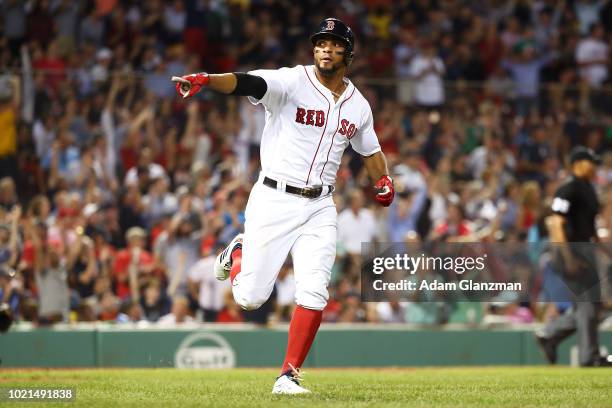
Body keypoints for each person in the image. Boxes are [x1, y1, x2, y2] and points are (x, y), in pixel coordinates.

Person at [172, 17, 395, 394]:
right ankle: (240, 249)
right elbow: (248, 81)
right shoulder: (292, 81)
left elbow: (369, 149)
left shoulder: (358, 104)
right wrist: (208, 80)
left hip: (320, 205)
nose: (325, 49)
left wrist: (383, 179)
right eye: (320, 43)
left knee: (314, 290)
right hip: (274, 198)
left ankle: (287, 375)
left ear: (348, 53)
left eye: (334, 44)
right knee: (249, 298)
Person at [536, 147, 612, 367]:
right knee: (589, 303)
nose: (594, 166)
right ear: (577, 163)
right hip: (568, 250)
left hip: (584, 249)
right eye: (590, 162)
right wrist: (567, 257)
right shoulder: (567, 189)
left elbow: (589, 228)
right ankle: (589, 356)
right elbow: (556, 223)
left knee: (588, 305)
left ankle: (549, 335)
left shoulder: (588, 190)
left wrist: (604, 251)